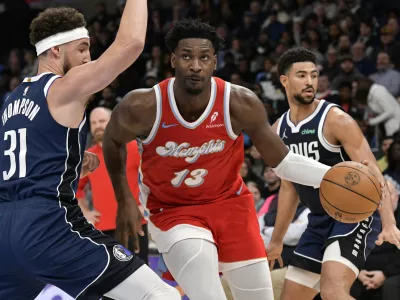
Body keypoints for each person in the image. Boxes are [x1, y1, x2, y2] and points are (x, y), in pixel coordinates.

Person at [102, 20, 383, 300]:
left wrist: (331, 177)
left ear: (215, 61)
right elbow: (112, 141)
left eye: (204, 57)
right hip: (173, 209)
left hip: (231, 204)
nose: (195, 65)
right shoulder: (143, 105)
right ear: (173, 59)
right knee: (208, 290)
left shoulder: (239, 102)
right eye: (186, 56)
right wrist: (125, 199)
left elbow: (283, 161)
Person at [0, 3, 180, 300]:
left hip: (6, 230)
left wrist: (71, 163)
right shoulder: (61, 87)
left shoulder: (12, 100)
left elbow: (22, 159)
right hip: (47, 225)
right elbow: (131, 45)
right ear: (56, 50)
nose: (88, 57)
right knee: (162, 295)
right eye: (82, 48)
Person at [266, 47, 400, 300]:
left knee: (332, 292)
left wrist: (390, 223)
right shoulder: (277, 131)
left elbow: (373, 172)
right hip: (318, 219)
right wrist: (276, 240)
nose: (310, 82)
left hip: (356, 214)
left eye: (314, 76)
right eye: (302, 75)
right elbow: (288, 188)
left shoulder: (336, 119)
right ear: (284, 80)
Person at [77, 107, 149, 264]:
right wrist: (85, 212)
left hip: (133, 224)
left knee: (139, 277)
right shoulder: (88, 157)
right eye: (93, 123)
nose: (98, 126)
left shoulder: (133, 148)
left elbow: (154, 178)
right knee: (112, 281)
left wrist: (147, 206)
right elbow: (75, 188)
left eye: (102, 121)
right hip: (103, 228)